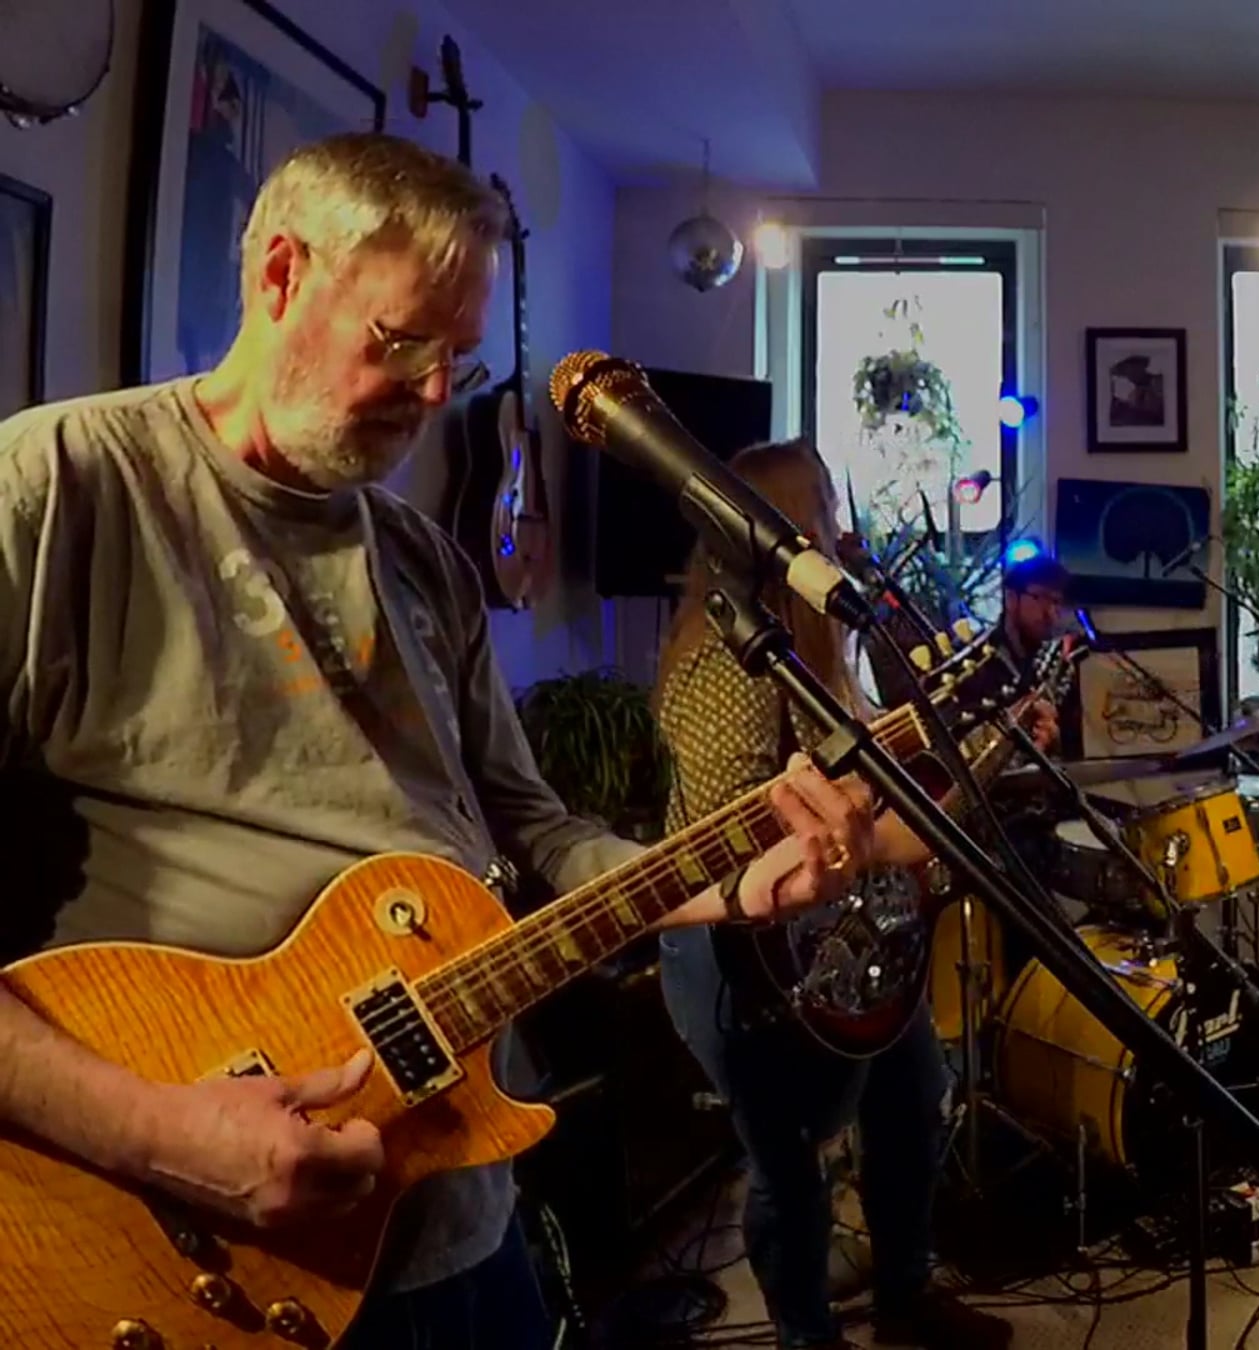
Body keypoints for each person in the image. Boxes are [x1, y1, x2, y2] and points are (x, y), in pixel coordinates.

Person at [0, 132, 874, 1348]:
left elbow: (534, 834)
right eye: (403, 343)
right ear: (281, 275)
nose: (429, 395)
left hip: (455, 1214)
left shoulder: (426, 563)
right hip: (170, 1234)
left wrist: (729, 883)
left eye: (458, 363)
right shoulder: (55, 488)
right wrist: (162, 1137)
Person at [655, 438, 1052, 1350]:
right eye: (827, 508)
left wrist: (987, 742)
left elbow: (884, 794)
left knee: (913, 1098)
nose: (842, 531)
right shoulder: (723, 668)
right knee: (788, 1164)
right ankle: (808, 1337)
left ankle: (906, 1293)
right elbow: (734, 846)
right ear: (784, 527)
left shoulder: (816, 654)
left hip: (845, 931)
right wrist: (868, 835)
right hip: (738, 954)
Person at [996, 552, 1071, 672]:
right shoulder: (981, 661)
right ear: (1011, 597)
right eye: (1041, 598)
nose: (1051, 613)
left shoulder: (1051, 659)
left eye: (1056, 602)